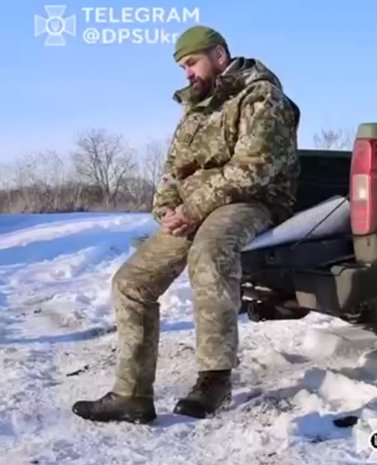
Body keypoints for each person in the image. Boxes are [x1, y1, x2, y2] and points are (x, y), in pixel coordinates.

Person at [71, 25, 301, 423]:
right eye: (182, 66)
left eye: (191, 62)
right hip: (196, 208)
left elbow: (253, 170)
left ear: (219, 56)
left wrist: (192, 210)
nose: (187, 73)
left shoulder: (261, 96)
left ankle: (214, 379)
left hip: (250, 202)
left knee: (209, 253)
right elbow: (173, 168)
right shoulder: (197, 105)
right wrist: (166, 209)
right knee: (131, 283)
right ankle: (132, 396)